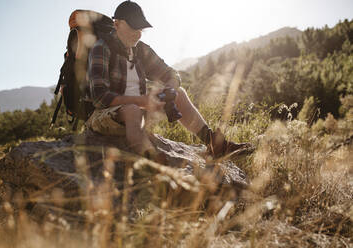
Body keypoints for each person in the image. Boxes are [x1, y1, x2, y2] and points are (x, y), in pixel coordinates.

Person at [86, 0, 251, 161]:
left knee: (178, 93)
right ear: (117, 24)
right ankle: (152, 162)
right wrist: (142, 101)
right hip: (105, 116)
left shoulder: (141, 50)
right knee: (132, 110)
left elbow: (171, 73)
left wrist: (170, 90)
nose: (137, 33)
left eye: (141, 28)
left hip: (138, 112)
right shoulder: (101, 48)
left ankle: (215, 145)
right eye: (133, 27)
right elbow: (100, 98)